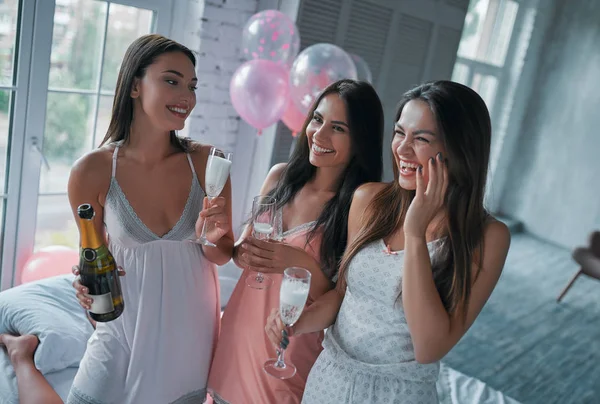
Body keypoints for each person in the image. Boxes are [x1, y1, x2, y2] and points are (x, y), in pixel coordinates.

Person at [1, 34, 234, 404]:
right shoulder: (92, 171)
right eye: (171, 80)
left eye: (192, 85)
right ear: (135, 86)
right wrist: (85, 287)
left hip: (187, 334)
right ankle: (22, 356)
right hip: (122, 329)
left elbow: (221, 254)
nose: (186, 96)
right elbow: (93, 256)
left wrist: (213, 235)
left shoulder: (207, 162)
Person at [266, 80, 512, 403]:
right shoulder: (368, 199)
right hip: (329, 381)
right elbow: (343, 295)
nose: (402, 150)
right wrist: (299, 322)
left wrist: (415, 232)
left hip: (398, 395)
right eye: (399, 133)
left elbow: (429, 346)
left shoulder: (486, 237)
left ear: (459, 148)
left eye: (421, 139)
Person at [208, 79, 385, 403]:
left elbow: (347, 301)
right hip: (238, 331)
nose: (319, 134)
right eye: (317, 119)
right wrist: (222, 237)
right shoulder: (279, 177)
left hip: (287, 348)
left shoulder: (358, 207)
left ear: (361, 139)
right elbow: (242, 256)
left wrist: (299, 261)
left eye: (338, 128)